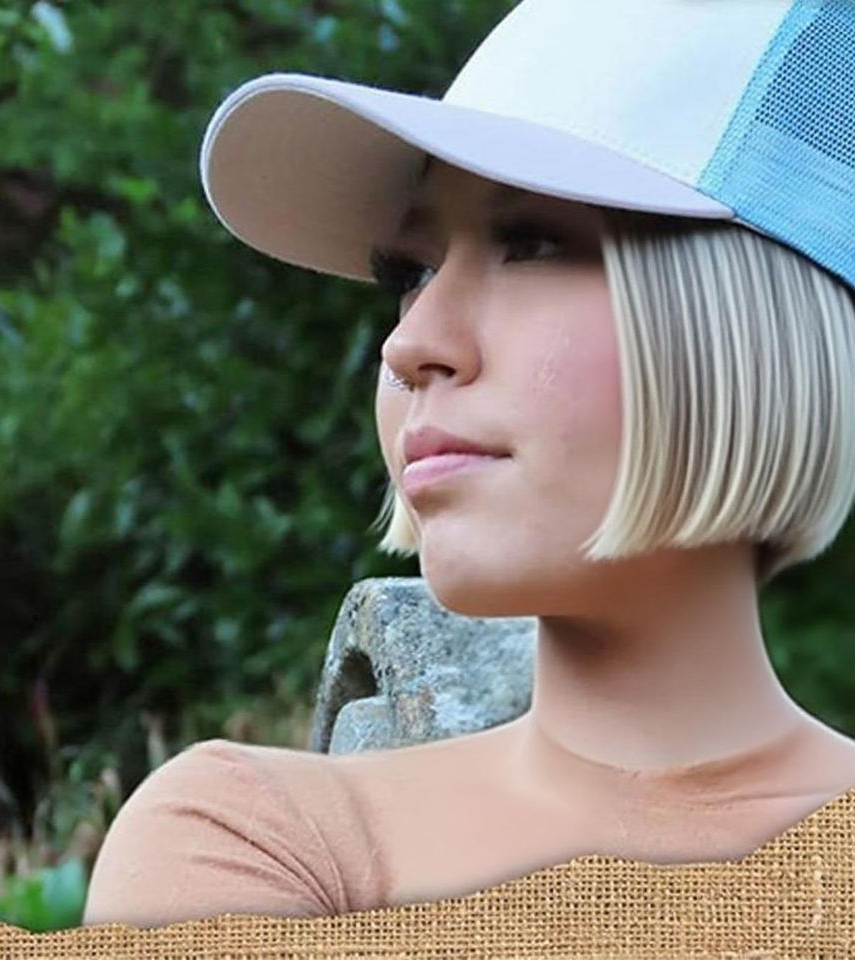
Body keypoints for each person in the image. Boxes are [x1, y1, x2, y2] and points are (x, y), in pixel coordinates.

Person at [82, 0, 855, 929]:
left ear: (754, 327)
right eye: (410, 273)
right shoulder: (258, 840)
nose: (408, 343)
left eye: (530, 244)